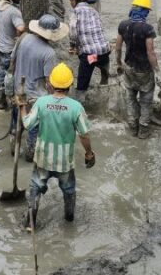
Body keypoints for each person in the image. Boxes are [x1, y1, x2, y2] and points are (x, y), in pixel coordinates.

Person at [20, 63, 95, 231]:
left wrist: (22, 107)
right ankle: (69, 220)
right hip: (64, 163)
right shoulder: (76, 107)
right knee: (69, 191)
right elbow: (84, 134)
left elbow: (27, 124)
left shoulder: (41, 102)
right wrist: (89, 153)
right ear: (70, 85)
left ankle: (30, 224)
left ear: (50, 84)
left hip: (42, 159)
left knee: (35, 188)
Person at [7, 14, 68, 162]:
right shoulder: (49, 53)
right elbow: (50, 81)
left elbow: (12, 61)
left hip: (19, 90)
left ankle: (13, 144)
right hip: (35, 97)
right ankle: (30, 153)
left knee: (17, 119)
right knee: (34, 126)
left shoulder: (23, 38)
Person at [115, 0, 158, 138]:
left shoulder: (123, 25)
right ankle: (143, 131)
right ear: (145, 11)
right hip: (144, 70)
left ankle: (132, 127)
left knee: (131, 98)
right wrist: (157, 71)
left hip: (129, 68)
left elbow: (118, 47)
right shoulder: (148, 29)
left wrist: (119, 63)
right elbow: (150, 52)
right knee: (146, 100)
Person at [68, 0, 110, 98]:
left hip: (89, 56)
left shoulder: (75, 12)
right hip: (104, 52)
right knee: (99, 61)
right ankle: (104, 77)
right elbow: (100, 28)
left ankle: (81, 98)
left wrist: (72, 46)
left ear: (74, 0)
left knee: (82, 84)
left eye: (70, 0)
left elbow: (72, 32)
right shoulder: (94, 11)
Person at [0, 0, 27, 109]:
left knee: (1, 76)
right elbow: (20, 28)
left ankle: (1, 102)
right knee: (13, 78)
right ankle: (13, 103)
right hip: (10, 51)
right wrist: (19, 35)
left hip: (0, 48)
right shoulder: (14, 11)